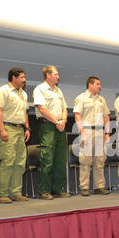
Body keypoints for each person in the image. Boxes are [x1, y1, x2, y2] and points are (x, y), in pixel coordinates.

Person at [0, 67, 31, 203]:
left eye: (24, 77)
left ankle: (16, 192)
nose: (24, 80)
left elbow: (25, 112)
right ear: (13, 78)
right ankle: (2, 193)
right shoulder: (3, 90)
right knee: (8, 160)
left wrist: (27, 128)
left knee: (20, 162)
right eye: (22, 77)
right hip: (7, 127)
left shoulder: (24, 94)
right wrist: (2, 130)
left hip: (20, 129)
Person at [33, 66, 70, 200]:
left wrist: (64, 121)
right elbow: (42, 109)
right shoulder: (40, 89)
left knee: (60, 159)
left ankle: (57, 189)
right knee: (47, 159)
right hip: (48, 126)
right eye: (56, 74)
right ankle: (44, 191)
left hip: (60, 126)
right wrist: (57, 122)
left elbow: (65, 108)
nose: (58, 77)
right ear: (48, 75)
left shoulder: (59, 91)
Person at [73, 76, 110, 196]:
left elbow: (106, 117)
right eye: (97, 84)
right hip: (87, 131)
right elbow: (77, 116)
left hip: (100, 131)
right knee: (85, 161)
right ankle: (84, 187)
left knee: (100, 160)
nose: (100, 86)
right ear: (90, 84)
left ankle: (99, 186)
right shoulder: (81, 98)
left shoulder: (101, 100)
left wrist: (107, 133)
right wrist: (82, 132)